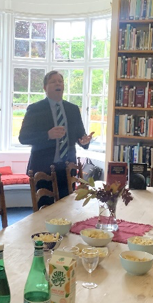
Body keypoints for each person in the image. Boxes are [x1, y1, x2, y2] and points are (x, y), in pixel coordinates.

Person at [19, 70, 94, 203]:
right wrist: (48, 135)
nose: (58, 84)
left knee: (66, 210)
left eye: (60, 81)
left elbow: (80, 136)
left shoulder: (73, 109)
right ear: (45, 88)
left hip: (67, 169)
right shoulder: (35, 109)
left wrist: (84, 141)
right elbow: (23, 137)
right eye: (53, 82)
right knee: (44, 212)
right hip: (43, 169)